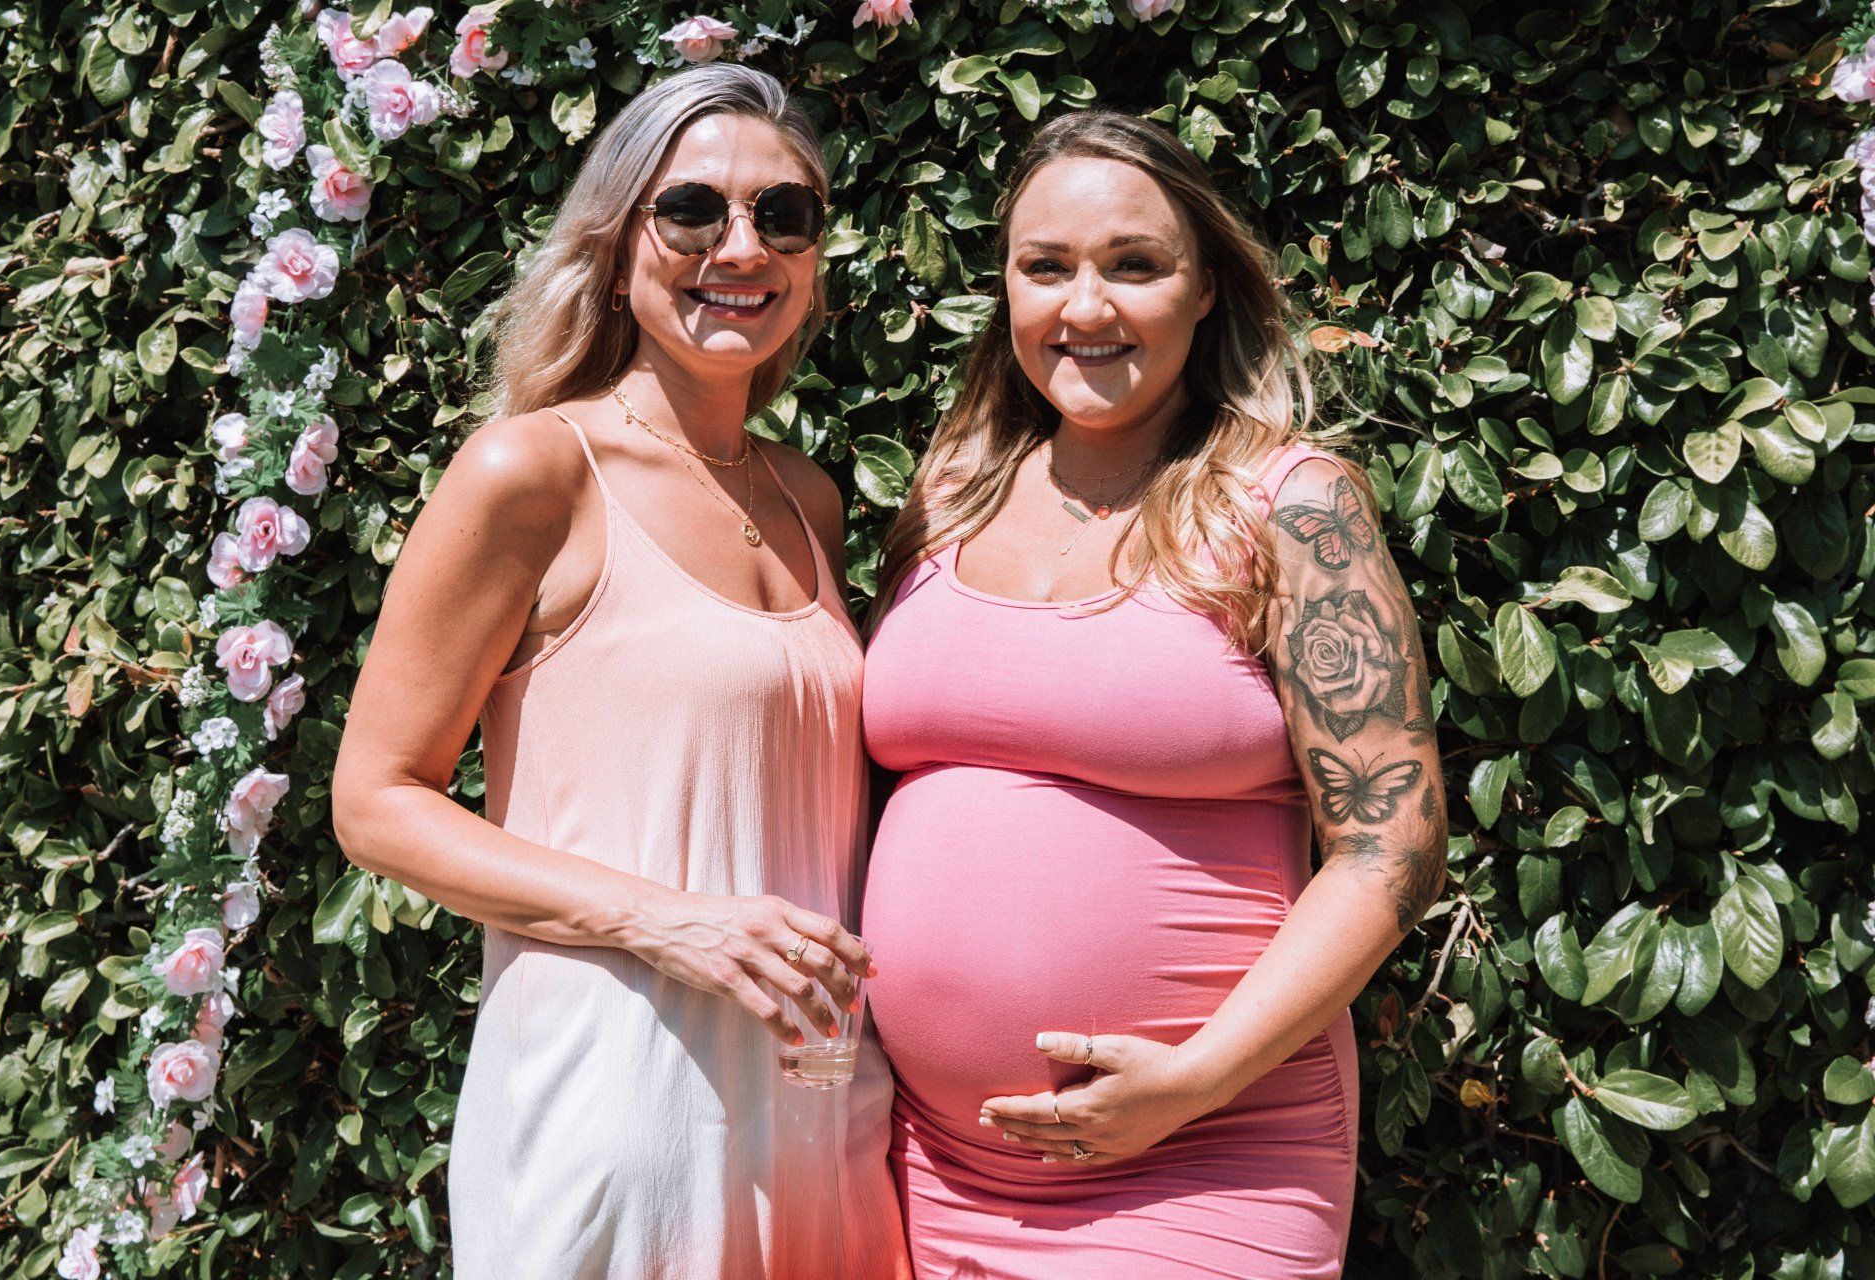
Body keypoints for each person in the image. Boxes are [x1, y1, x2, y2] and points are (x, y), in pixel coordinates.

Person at [330, 64, 907, 1280]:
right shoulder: (533, 472)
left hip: (819, 1113)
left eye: (784, 214)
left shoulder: (808, 499)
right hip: (615, 1110)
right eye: (691, 209)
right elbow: (375, 801)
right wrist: (667, 918)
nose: (740, 247)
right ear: (614, 241)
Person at [859, 111, 1448, 1278]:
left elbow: (1395, 845)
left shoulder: (1292, 505)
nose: (1085, 306)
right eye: (1046, 267)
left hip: (1208, 1149)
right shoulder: (949, 493)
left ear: (1206, 288)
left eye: (1134, 265)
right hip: (932, 1166)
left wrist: (1196, 1077)